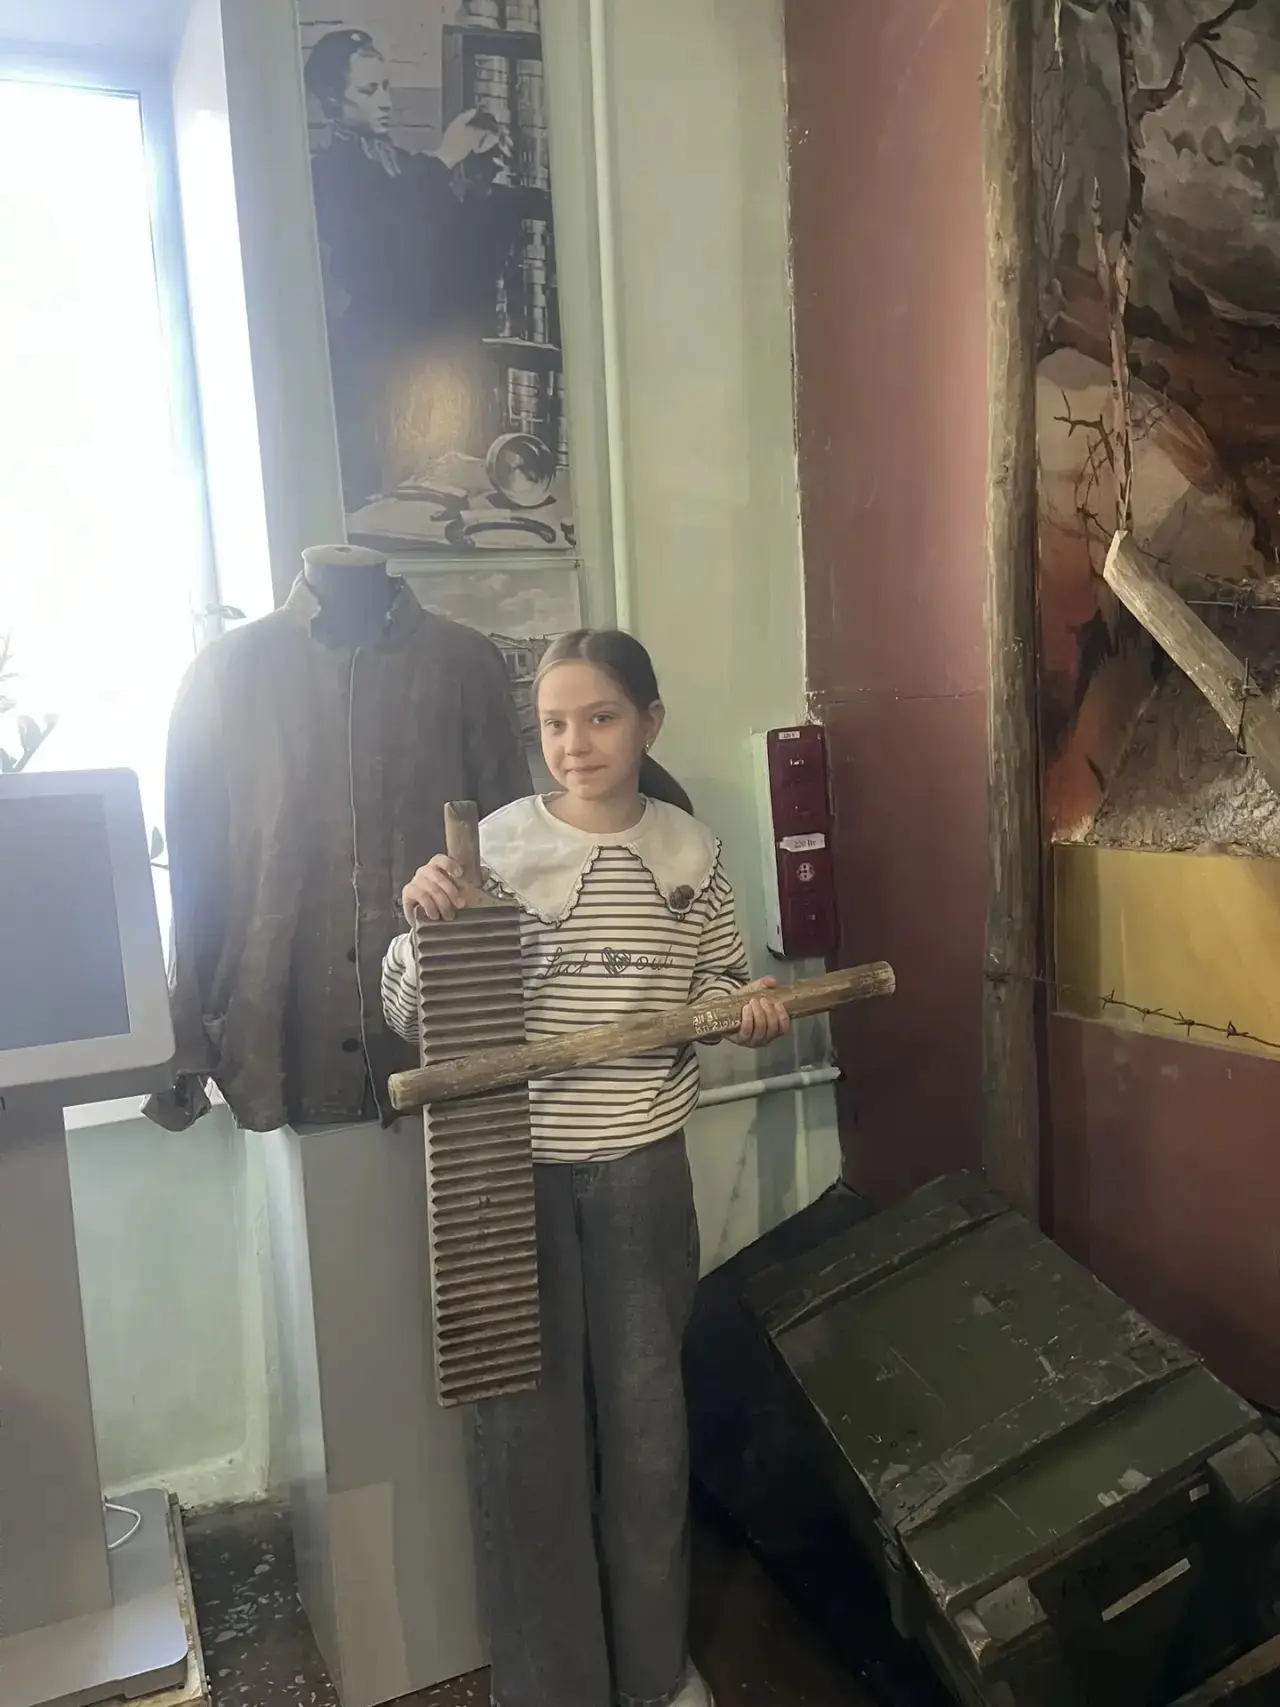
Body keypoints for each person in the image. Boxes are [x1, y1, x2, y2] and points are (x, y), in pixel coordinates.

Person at [381, 629, 789, 1707]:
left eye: (600, 718)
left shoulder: (691, 853)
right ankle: (549, 1685)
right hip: (508, 1183)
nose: (575, 744)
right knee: (526, 1438)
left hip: (642, 1173)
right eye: (554, 724)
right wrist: (425, 924)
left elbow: (717, 987)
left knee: (649, 1434)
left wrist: (745, 1013)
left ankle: (653, 1674)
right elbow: (414, 1013)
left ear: (649, 723)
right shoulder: (493, 849)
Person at [304, 28, 520, 505]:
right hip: (377, 360)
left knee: (451, 487)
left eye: (386, 87)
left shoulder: (406, 167)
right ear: (331, 102)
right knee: (384, 497)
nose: (385, 101)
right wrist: (444, 158)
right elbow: (387, 246)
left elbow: (459, 263)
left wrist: (485, 184)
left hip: (434, 358)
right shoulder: (326, 174)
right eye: (368, 90)